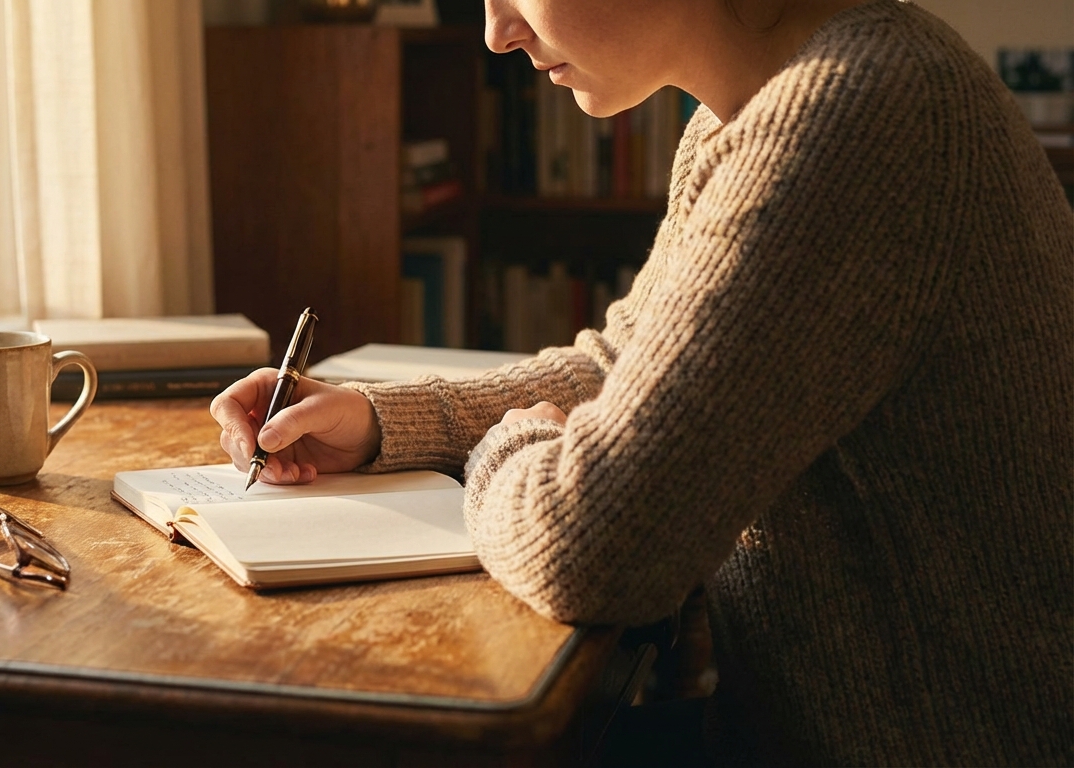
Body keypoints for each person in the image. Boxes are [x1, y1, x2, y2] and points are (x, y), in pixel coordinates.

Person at [210, 0, 1074, 764]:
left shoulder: (861, 109)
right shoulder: (755, 109)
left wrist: (513, 446)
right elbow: (621, 364)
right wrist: (379, 420)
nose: (495, 31)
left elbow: (593, 547)